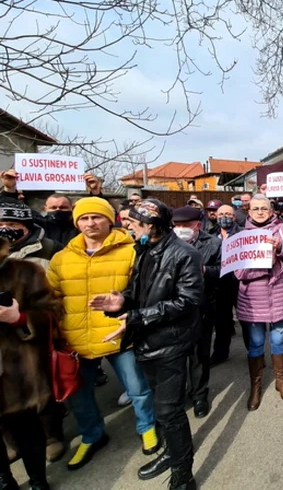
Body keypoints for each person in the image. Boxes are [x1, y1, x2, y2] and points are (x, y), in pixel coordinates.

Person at [90, 199, 203, 489]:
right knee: (160, 407)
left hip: (170, 344)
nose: (126, 225)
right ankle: (171, 453)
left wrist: (138, 316)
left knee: (170, 411)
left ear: (151, 226)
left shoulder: (185, 254)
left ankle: (183, 474)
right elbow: (142, 292)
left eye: (133, 222)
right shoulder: (144, 248)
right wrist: (122, 301)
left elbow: (188, 301)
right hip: (147, 341)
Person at [47, 197, 158, 471]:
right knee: (79, 396)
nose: (90, 223)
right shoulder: (61, 258)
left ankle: (148, 427)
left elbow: (144, 291)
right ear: (76, 223)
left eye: (96, 217)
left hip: (120, 334)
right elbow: (50, 298)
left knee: (137, 389)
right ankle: (92, 435)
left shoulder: (132, 251)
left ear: (110, 219)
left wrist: (130, 312)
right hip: (76, 340)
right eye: (84, 218)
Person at [0, 198, 67, 463]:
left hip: (30, 340)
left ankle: (51, 436)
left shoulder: (43, 255)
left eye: (11, 224)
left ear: (26, 226)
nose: (5, 229)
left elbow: (55, 306)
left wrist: (21, 318)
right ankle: (12, 442)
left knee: (40, 388)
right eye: (0, 224)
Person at [235, 194, 283, 410]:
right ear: (249, 212)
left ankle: (280, 381)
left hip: (279, 295)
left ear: (272, 211)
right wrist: (265, 266)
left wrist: (280, 249)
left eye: (264, 208)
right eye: (256, 209)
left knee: (278, 338)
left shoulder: (281, 229)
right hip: (252, 299)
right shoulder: (241, 235)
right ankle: (255, 387)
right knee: (255, 343)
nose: (261, 212)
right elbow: (238, 272)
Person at [172, 206, 222, 418]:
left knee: (199, 355)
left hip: (201, 306)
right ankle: (177, 395)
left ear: (198, 225)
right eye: (177, 226)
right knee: (174, 357)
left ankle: (200, 395)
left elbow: (224, 271)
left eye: (186, 226)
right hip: (173, 309)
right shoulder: (166, 242)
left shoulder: (213, 243)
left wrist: (205, 271)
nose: (181, 229)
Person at [211, 204, 244, 364]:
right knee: (221, 322)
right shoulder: (211, 235)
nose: (225, 217)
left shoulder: (243, 234)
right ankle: (220, 353)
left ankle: (254, 353)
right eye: (222, 214)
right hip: (219, 284)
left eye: (228, 214)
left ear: (234, 217)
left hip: (239, 283)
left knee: (246, 321)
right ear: (216, 216)